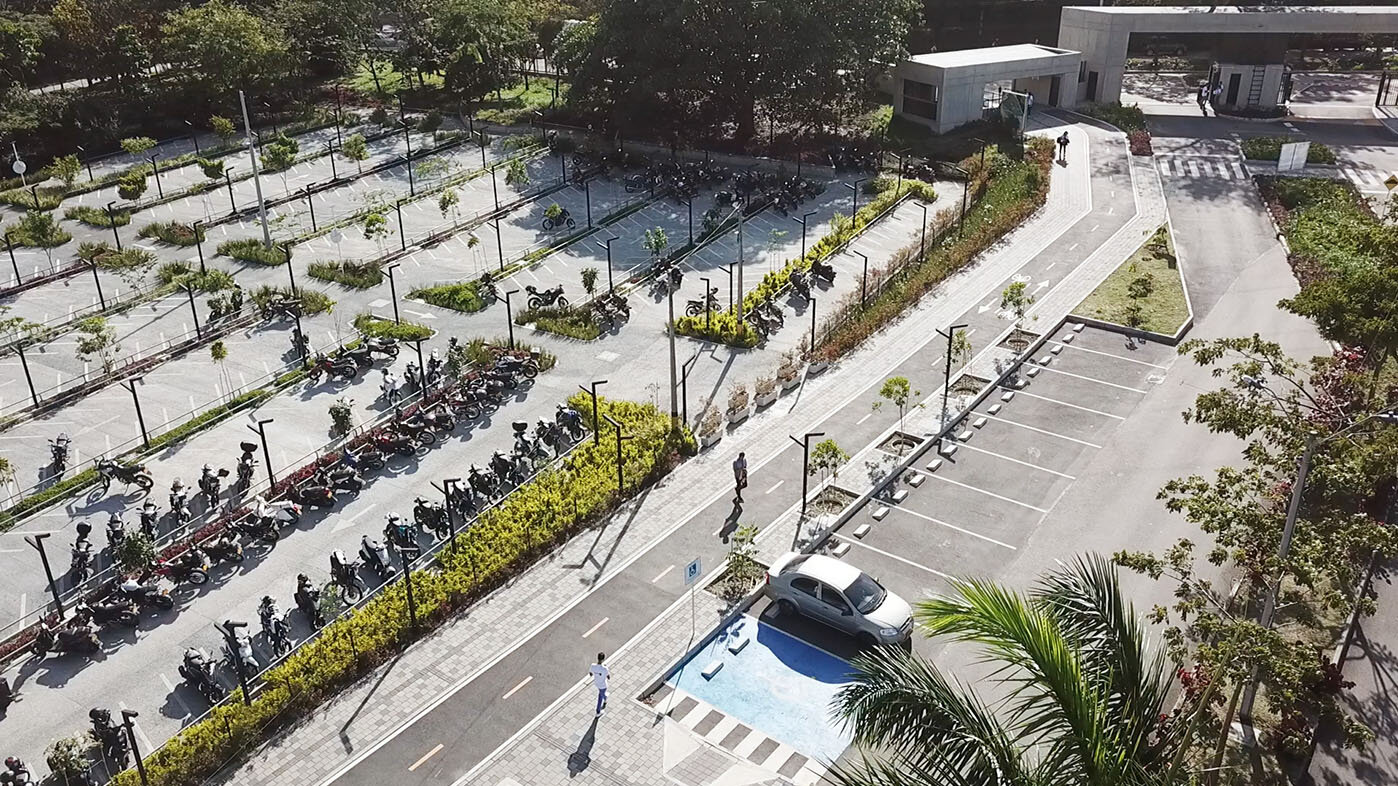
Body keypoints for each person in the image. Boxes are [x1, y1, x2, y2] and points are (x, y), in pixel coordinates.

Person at [590, 652, 609, 717]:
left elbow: (590, 674)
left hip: (597, 683)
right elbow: (608, 677)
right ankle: (598, 712)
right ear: (603, 659)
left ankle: (605, 698)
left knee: (601, 693)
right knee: (600, 697)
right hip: (603, 685)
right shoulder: (605, 668)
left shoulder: (592, 666)